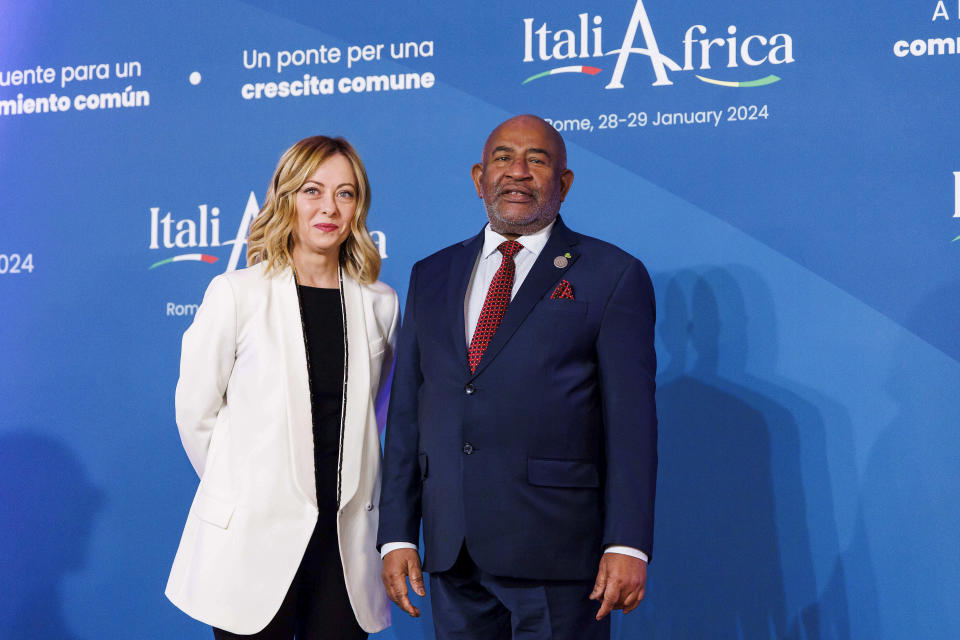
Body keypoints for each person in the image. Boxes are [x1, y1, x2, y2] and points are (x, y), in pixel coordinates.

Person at [377, 115, 658, 639]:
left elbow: (632, 425)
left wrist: (627, 543)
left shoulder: (611, 274)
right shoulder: (430, 274)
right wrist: (396, 535)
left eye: (538, 159)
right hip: (452, 549)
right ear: (478, 177)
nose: (518, 172)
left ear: (565, 182)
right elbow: (410, 412)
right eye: (504, 158)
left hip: (557, 552)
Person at [166, 136, 398, 639]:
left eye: (345, 193)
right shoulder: (236, 294)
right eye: (312, 190)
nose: (329, 207)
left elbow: (377, 415)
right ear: (287, 196)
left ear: (359, 206)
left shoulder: (380, 303)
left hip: (345, 544)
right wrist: (248, 490)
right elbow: (196, 413)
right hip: (252, 543)